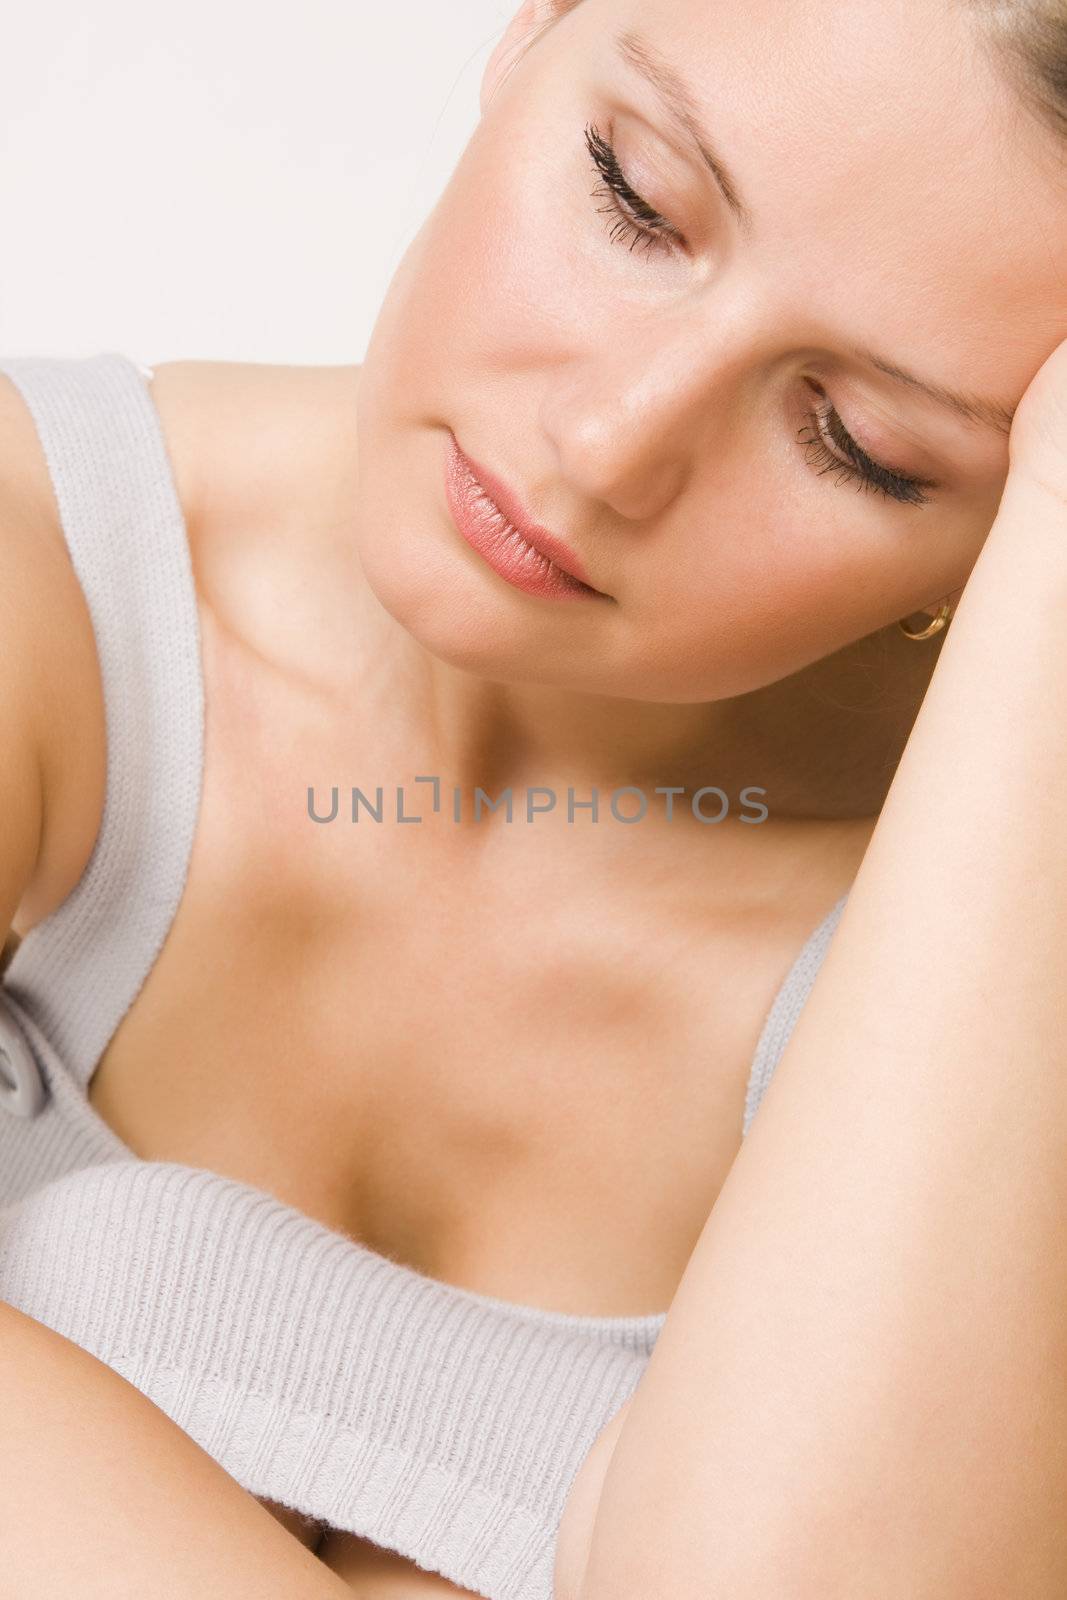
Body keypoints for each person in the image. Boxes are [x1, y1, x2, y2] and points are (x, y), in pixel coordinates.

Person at [0, 0, 1065, 1595]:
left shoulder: (999, 989)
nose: (606, 441)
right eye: (635, 197)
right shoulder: (49, 568)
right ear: (540, 22)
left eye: (862, 444)